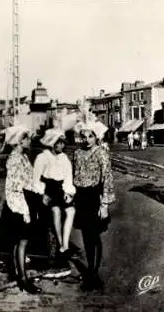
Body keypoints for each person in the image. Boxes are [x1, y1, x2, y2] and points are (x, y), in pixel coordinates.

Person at [0, 124, 42, 294]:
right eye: (27, 138)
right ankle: (23, 279)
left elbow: (29, 180)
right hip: (18, 204)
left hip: (22, 202)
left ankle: (19, 273)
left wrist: (40, 190)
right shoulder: (16, 159)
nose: (30, 141)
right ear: (19, 141)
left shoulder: (21, 156)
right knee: (22, 241)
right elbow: (15, 187)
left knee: (21, 241)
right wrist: (25, 211)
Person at [73, 120, 115, 291]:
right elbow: (74, 175)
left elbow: (107, 178)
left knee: (94, 235)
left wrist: (104, 203)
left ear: (96, 137)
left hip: (94, 197)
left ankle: (93, 274)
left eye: (90, 136)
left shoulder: (101, 153)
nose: (87, 140)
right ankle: (91, 272)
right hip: (81, 197)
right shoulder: (77, 153)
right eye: (84, 136)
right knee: (86, 236)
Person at [34, 129, 76, 266]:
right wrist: (42, 193)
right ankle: (59, 243)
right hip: (47, 190)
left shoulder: (64, 158)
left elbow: (68, 179)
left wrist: (68, 193)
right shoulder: (42, 157)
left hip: (59, 190)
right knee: (56, 211)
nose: (62, 146)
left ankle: (65, 245)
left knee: (71, 210)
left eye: (63, 143)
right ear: (52, 143)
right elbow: (36, 180)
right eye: (59, 143)